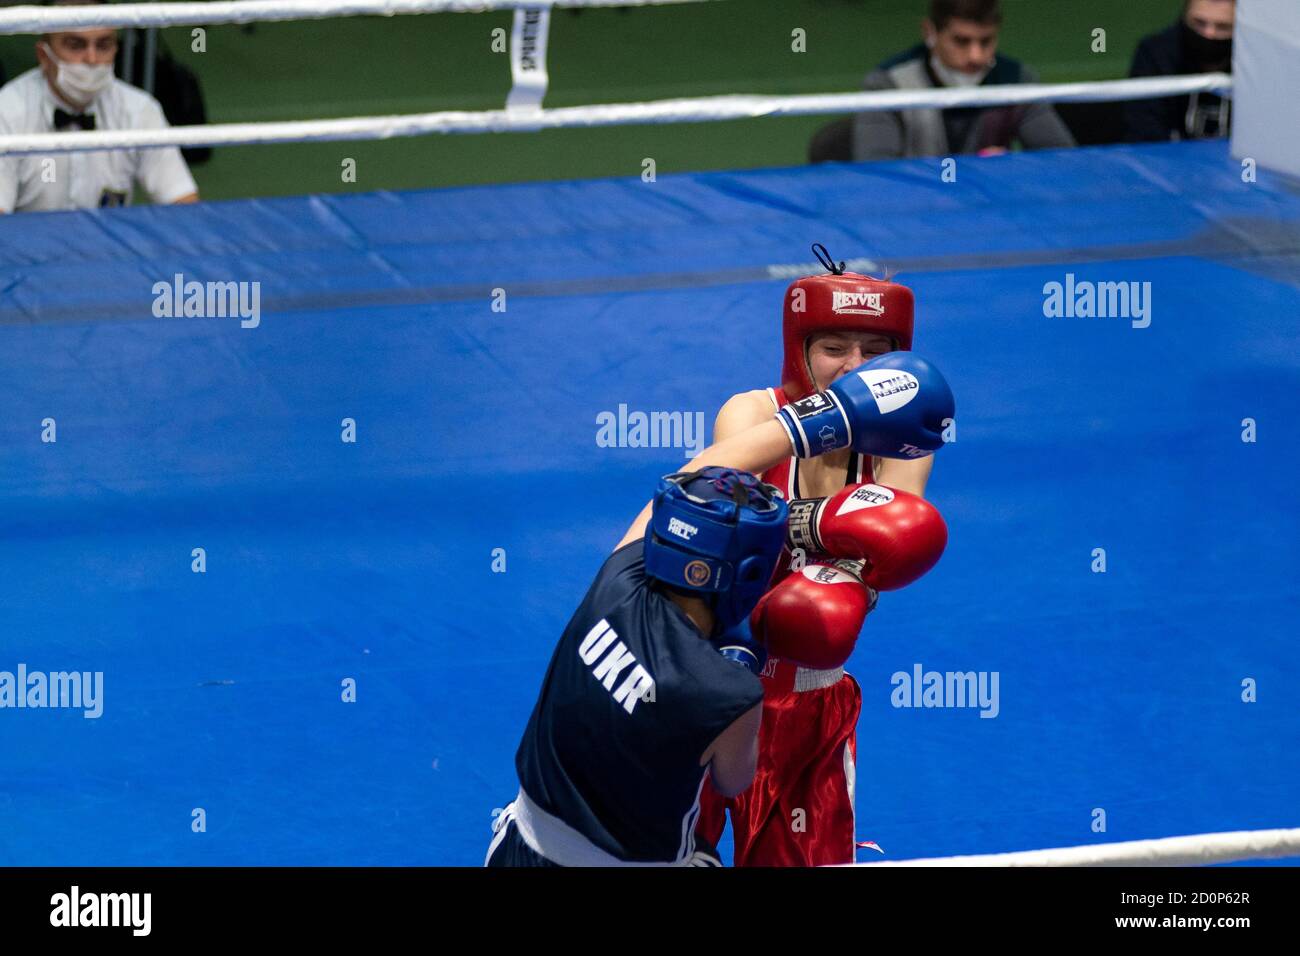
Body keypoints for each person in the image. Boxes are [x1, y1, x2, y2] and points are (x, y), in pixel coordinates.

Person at [488, 342, 955, 866]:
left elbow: (696, 474)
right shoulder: (721, 694)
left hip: (520, 845)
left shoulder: (614, 583)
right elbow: (737, 779)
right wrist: (751, 648)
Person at [695, 245, 950, 867]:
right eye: (835, 347)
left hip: (810, 703)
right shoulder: (752, 413)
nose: (854, 367)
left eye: (874, 352)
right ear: (800, 350)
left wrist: (831, 547)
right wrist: (830, 523)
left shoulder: (907, 437)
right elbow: (731, 523)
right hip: (704, 685)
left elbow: (890, 545)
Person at [0, 0, 198, 214]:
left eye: (103, 45)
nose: (92, 59)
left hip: (109, 246)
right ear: (44, 56)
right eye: (75, 45)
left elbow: (184, 204)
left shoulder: (139, 110)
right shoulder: (7, 111)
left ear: (116, 49)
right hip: (25, 245)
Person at [850, 0, 1074, 161]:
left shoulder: (1017, 82)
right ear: (930, 32)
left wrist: (1013, 165)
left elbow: (1063, 159)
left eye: (986, 41)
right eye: (961, 41)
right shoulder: (888, 85)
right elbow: (877, 173)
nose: (976, 56)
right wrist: (970, 172)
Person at [1125, 0, 1234, 143]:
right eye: (1199, 23)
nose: (1209, 34)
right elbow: (1143, 131)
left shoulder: (1257, 64)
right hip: (1168, 162)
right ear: (1185, 17)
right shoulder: (1156, 54)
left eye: (1222, 27)